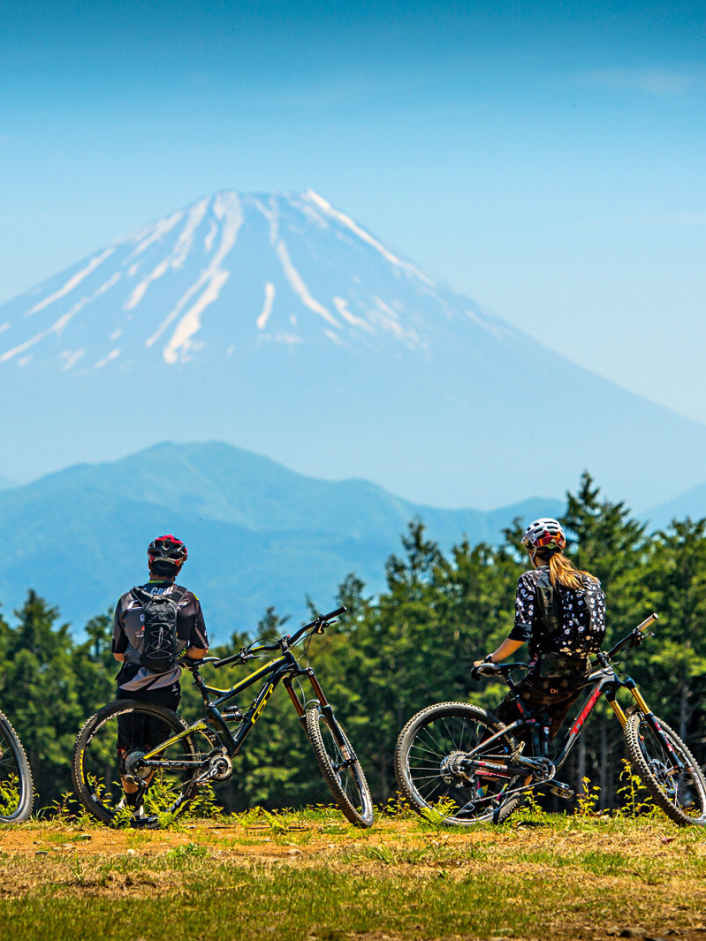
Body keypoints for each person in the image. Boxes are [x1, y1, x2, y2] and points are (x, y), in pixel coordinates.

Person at [475, 517, 606, 746]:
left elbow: (521, 631)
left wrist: (492, 659)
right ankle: (534, 766)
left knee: (495, 732)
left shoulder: (531, 580)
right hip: (577, 675)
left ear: (533, 550)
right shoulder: (587, 581)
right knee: (538, 748)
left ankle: (481, 767)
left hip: (545, 676)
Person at [112, 534, 208, 821]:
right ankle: (137, 803)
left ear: (149, 564)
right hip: (166, 687)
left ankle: (130, 802)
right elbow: (200, 650)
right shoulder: (188, 600)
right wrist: (180, 658)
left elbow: (118, 654)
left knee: (128, 749)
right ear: (179, 566)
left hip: (130, 686)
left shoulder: (127, 599)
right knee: (154, 751)